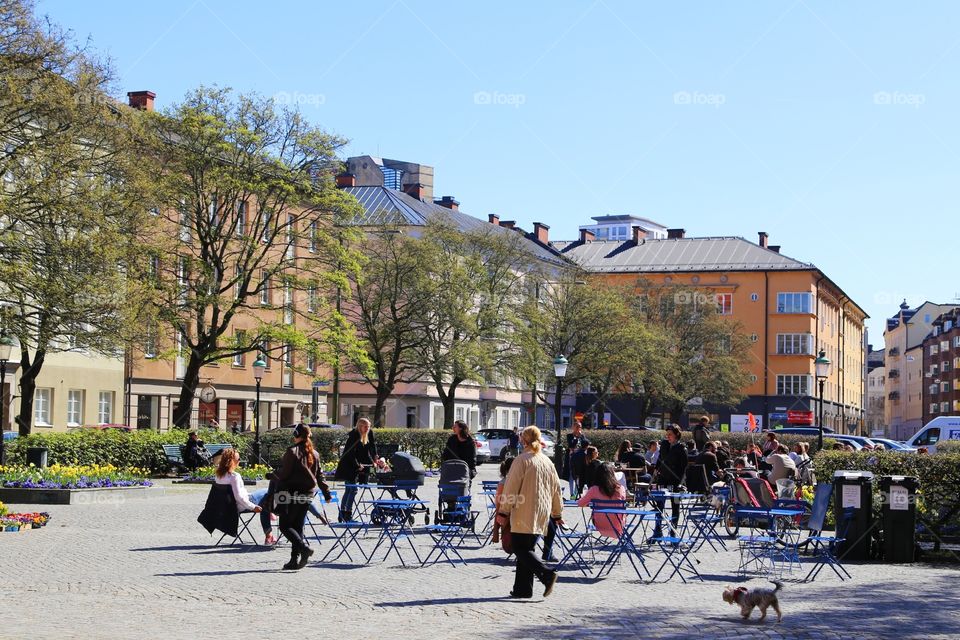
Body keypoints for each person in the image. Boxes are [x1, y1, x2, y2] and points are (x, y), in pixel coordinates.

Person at [496, 426, 563, 599]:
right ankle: (523, 590)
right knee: (528, 549)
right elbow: (557, 490)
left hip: (523, 512)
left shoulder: (521, 460)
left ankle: (547, 574)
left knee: (519, 548)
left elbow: (511, 487)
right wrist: (557, 513)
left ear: (523, 440)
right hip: (542, 512)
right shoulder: (547, 462)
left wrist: (503, 511)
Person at [272, 424, 322, 570]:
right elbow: (320, 475)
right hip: (307, 494)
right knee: (298, 526)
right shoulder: (315, 453)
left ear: (296, 435)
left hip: (289, 493)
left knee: (285, 525)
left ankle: (303, 548)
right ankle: (294, 560)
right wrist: (325, 493)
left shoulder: (292, 452)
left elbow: (285, 475)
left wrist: (273, 475)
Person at [334, 418, 384, 522]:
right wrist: (357, 465)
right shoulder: (354, 435)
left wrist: (375, 459)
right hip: (348, 465)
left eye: (368, 426)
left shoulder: (369, 433)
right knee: (352, 489)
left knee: (349, 490)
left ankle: (342, 514)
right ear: (360, 426)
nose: (367, 429)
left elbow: (372, 447)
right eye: (365, 427)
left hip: (358, 464)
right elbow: (350, 453)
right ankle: (347, 515)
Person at [577, 462, 628, 538]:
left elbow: (580, 504)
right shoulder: (621, 488)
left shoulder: (594, 489)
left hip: (599, 524)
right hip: (618, 524)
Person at [653, 425, 687, 536]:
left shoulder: (681, 448)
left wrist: (680, 483)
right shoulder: (664, 445)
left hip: (675, 481)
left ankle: (673, 531)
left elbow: (683, 468)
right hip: (663, 479)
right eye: (667, 434)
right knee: (659, 505)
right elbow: (660, 459)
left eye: (670, 434)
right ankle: (658, 531)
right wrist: (656, 470)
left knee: (675, 506)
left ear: (676, 434)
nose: (668, 436)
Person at [214, 448, 262, 515]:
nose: (239, 461)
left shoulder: (218, 475)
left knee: (265, 495)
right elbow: (238, 497)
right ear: (232, 461)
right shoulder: (234, 476)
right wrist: (253, 507)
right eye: (238, 459)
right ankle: (269, 522)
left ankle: (270, 517)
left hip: (224, 506)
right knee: (265, 493)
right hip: (238, 505)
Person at [491, 457, 514, 545]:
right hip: (508, 515)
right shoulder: (503, 483)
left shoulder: (502, 482)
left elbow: (497, 503)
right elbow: (499, 503)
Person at [564, 421, 590, 498]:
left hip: (580, 458)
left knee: (579, 475)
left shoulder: (582, 436)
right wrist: (576, 438)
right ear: (573, 427)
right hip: (572, 457)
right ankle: (572, 493)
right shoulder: (570, 436)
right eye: (577, 427)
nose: (579, 428)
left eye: (580, 427)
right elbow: (571, 445)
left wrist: (582, 437)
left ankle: (577, 492)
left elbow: (586, 444)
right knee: (572, 475)